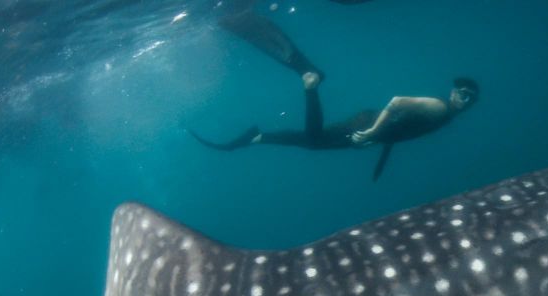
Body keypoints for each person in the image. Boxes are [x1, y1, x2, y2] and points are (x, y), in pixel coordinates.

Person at [193, 10, 479, 180]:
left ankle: (256, 137)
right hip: (368, 125)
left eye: (468, 97)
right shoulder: (439, 109)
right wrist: (372, 133)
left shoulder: (445, 115)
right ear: (453, 92)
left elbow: (405, 127)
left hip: (373, 128)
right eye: (460, 92)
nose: (462, 98)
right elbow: (396, 103)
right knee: (315, 141)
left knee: (312, 142)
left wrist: (381, 141)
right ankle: (311, 83)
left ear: (472, 104)